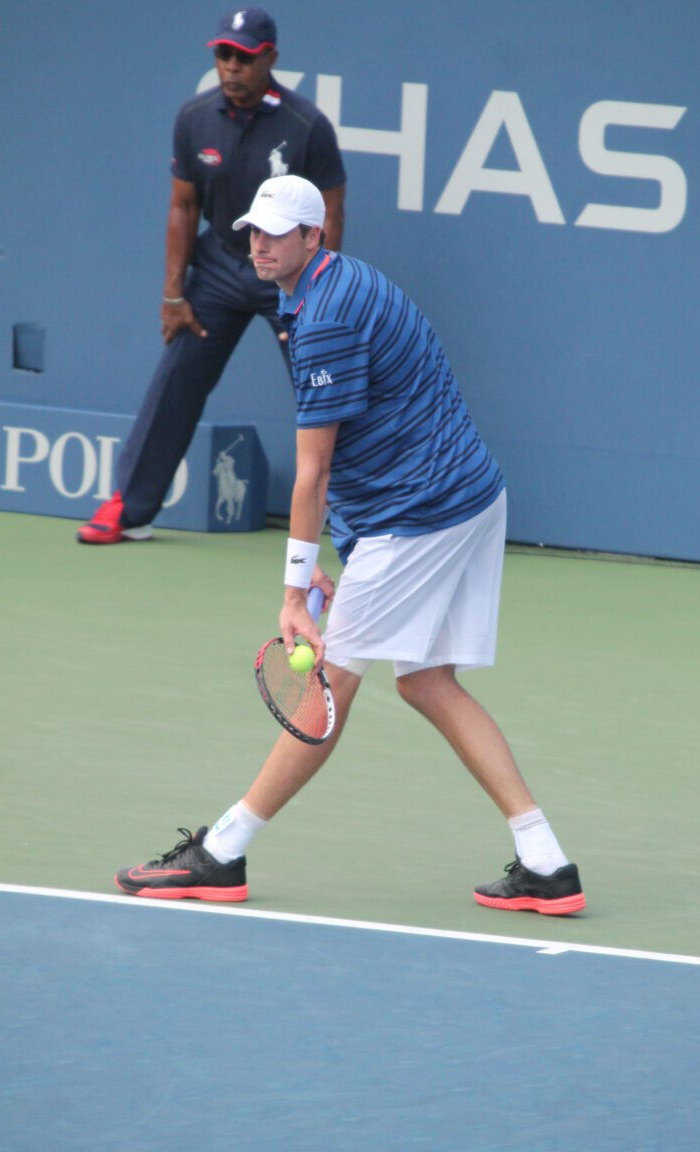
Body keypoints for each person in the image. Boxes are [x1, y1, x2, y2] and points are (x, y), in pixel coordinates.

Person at [115, 176, 586, 917]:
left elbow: (314, 471)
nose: (258, 244)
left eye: (277, 232)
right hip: (466, 497)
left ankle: (222, 853)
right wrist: (350, 554)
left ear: (315, 237)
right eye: (253, 230)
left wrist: (297, 589)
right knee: (427, 680)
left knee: (329, 686)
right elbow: (372, 440)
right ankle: (546, 861)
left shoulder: (325, 317)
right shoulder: (332, 286)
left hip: (422, 513)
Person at [77, 8, 346, 544]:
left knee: (326, 390)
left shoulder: (306, 127)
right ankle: (131, 507)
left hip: (290, 274)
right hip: (221, 264)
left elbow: (330, 215)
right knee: (177, 375)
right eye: (223, 55)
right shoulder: (194, 118)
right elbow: (183, 207)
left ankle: (356, 517)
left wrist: (316, 295)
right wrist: (173, 293)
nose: (231, 67)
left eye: (243, 57)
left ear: (269, 57)